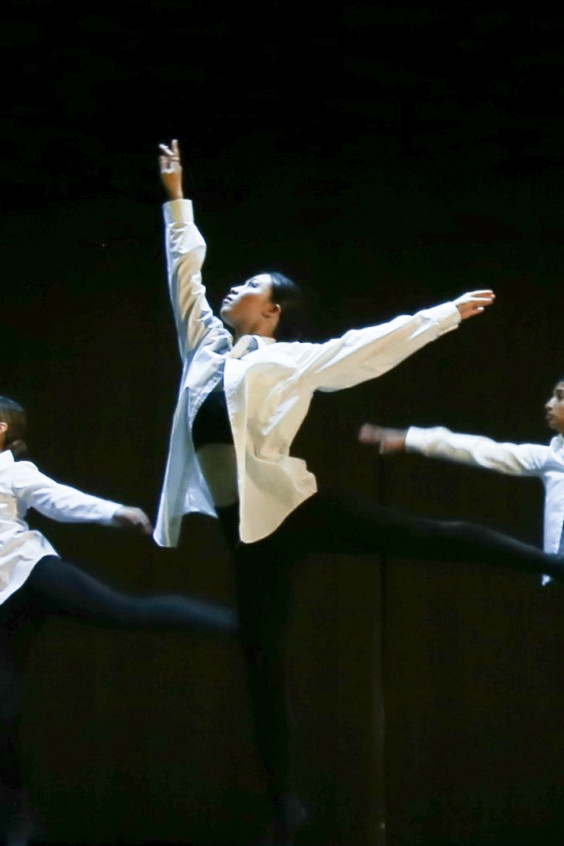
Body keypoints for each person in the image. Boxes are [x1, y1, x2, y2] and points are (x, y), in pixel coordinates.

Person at [155, 138, 564, 846]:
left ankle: (555, 561)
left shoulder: (289, 361)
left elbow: (366, 347)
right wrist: (176, 196)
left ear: (273, 311)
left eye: (249, 285)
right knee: (261, 661)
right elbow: (184, 272)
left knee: (421, 536)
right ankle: (285, 809)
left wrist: (444, 315)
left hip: (292, 510)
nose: (232, 289)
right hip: (244, 533)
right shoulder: (203, 346)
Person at [0, 396, 237, 846]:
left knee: (128, 612)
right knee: (3, 713)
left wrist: (112, 512)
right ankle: (19, 825)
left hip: (30, 572)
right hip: (3, 603)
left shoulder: (11, 471)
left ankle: (238, 623)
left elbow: (58, 499)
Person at [358, 378, 564, 585]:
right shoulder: (553, 457)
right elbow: (482, 450)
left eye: (560, 397)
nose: (549, 404)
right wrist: (411, 438)